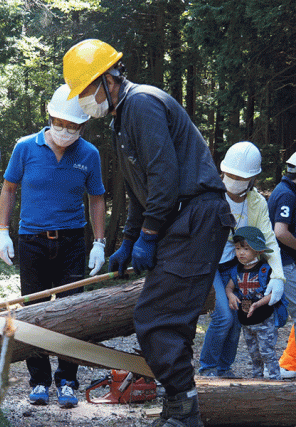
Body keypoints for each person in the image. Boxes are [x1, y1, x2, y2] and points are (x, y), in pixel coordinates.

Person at [63, 39, 235, 427]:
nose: (86, 100)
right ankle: (179, 408)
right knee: (172, 319)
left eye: (87, 90)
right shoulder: (122, 118)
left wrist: (150, 235)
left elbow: (164, 177)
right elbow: (137, 187)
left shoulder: (142, 103)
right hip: (183, 218)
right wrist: (128, 239)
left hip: (198, 216)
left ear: (108, 78)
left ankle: (186, 413)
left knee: (155, 317)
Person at [0, 83, 106, 408]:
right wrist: (3, 230)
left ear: (82, 126)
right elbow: (8, 188)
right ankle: (40, 380)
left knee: (73, 310)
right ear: (50, 117)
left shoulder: (89, 154)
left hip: (72, 240)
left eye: (72, 126)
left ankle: (68, 380)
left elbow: (97, 197)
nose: (64, 131)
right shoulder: (25, 148)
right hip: (32, 240)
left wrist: (99, 242)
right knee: (34, 311)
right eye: (59, 123)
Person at [198, 141, 285, 379]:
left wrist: (278, 277)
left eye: (240, 176)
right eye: (231, 175)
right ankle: (207, 370)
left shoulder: (255, 202)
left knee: (239, 316)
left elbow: (268, 240)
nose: (234, 180)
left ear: (252, 178)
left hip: (238, 266)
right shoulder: (209, 194)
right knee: (224, 316)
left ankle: (224, 369)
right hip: (210, 264)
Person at [223, 226, 288, 380]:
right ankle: (256, 381)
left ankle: (274, 381)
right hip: (246, 321)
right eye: (238, 248)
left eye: (246, 249)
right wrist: (231, 295)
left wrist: (258, 304)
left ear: (258, 251)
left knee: (267, 352)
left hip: (265, 320)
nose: (241, 253)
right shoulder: (236, 270)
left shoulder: (265, 269)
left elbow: (273, 293)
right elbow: (229, 287)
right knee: (254, 354)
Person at [267, 152, 296, 379]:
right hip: (285, 263)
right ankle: (285, 366)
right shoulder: (287, 195)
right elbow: (280, 232)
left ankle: (289, 363)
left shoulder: (286, 190)